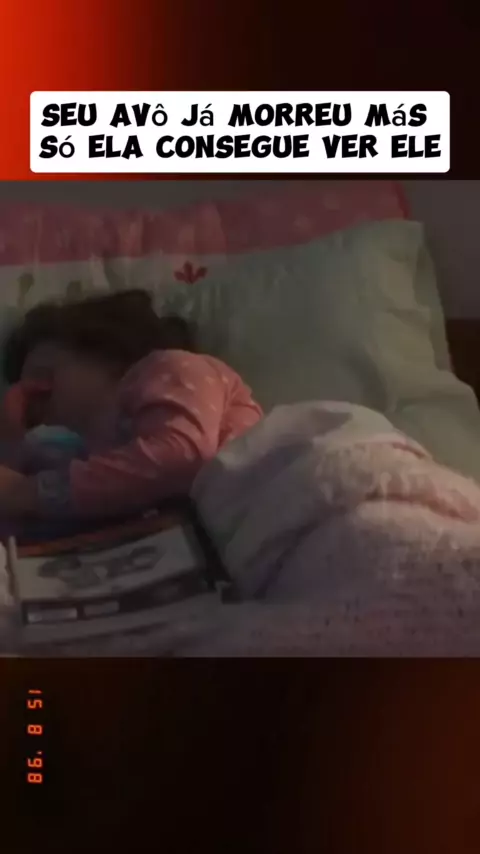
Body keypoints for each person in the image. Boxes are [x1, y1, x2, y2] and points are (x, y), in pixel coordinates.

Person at [0, 289, 263, 523]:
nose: (29, 394)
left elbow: (181, 456)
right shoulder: (96, 450)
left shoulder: (170, 367)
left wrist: (28, 492)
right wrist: (11, 441)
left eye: (44, 374)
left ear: (103, 347)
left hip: (268, 493)